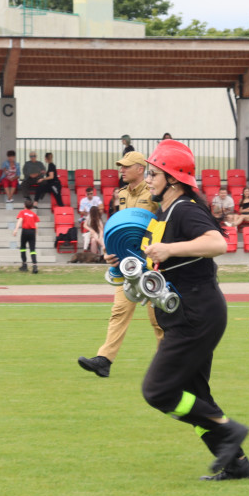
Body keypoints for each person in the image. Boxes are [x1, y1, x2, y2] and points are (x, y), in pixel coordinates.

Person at [138, 139, 249, 481]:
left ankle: (229, 430)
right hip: (186, 311)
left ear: (172, 178)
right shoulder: (166, 212)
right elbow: (157, 254)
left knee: (158, 391)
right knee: (195, 394)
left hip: (196, 312)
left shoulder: (186, 208)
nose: (147, 179)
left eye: (153, 173)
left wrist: (170, 249)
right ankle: (237, 465)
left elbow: (217, 243)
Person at [77, 150, 163, 378]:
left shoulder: (155, 192)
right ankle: (104, 360)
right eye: (121, 166)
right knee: (119, 311)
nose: (121, 170)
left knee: (158, 318)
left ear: (140, 169)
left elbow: (161, 225)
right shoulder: (122, 194)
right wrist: (111, 251)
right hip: (127, 263)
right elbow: (120, 229)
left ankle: (167, 362)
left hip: (152, 261)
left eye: (126, 166)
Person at [12, 198, 40, 273]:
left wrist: (16, 230)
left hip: (25, 231)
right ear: (31, 207)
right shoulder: (34, 214)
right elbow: (36, 225)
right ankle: (35, 266)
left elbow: (20, 220)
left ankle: (24, 265)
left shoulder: (22, 212)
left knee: (23, 248)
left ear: (24, 205)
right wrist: (36, 234)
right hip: (32, 232)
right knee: (32, 249)